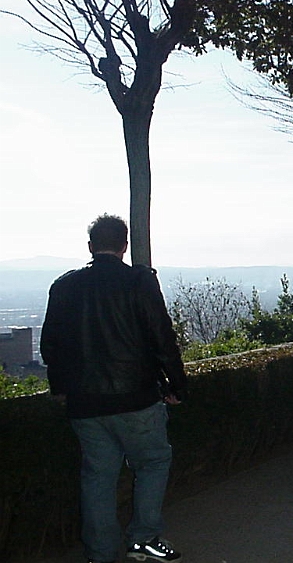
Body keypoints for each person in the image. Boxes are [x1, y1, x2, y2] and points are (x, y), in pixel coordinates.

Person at [41, 215, 186, 563]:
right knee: (152, 462)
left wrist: (61, 387)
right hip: (137, 397)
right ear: (124, 245)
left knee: (98, 476)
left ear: (91, 246)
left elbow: (51, 345)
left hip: (85, 402)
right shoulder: (140, 281)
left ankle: (101, 552)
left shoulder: (64, 285)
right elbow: (162, 337)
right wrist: (177, 385)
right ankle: (144, 539)